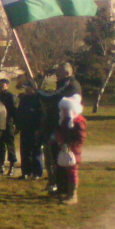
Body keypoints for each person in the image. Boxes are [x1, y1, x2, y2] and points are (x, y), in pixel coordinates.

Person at [37, 63, 82, 194]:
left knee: (63, 160)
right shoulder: (66, 83)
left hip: (65, 127)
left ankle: (65, 188)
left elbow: (54, 96)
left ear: (67, 73)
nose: (56, 75)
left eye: (59, 73)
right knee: (53, 158)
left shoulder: (70, 84)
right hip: (57, 126)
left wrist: (39, 92)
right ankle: (57, 185)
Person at [52, 96, 87, 204]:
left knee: (73, 171)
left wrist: (69, 145)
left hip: (73, 150)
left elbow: (80, 138)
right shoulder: (65, 120)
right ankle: (68, 193)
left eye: (65, 108)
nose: (63, 110)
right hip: (66, 148)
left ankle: (72, 195)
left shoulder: (78, 121)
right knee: (67, 171)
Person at [16, 81, 45, 179]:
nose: (26, 90)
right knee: (25, 152)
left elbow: (41, 116)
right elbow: (19, 113)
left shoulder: (38, 100)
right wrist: (18, 126)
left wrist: (39, 129)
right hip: (24, 129)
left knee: (36, 151)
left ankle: (37, 172)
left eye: (28, 88)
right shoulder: (23, 99)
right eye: (26, 88)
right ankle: (26, 172)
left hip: (35, 129)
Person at [0, 79, 18, 176]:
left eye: (2, 84)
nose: (0, 86)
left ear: (7, 85)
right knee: (0, 145)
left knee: (10, 145)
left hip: (9, 122)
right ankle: (1, 165)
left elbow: (14, 111)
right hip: (0, 123)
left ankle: (12, 165)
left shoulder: (11, 96)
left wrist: (15, 123)